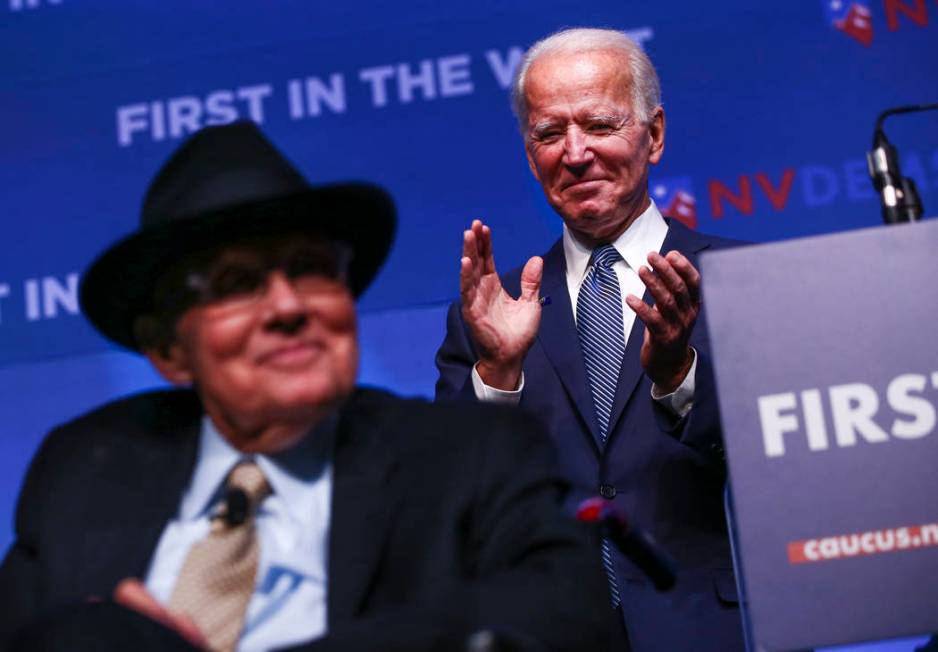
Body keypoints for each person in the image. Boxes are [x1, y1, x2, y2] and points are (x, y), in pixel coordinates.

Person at [0, 121, 616, 651]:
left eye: (312, 270)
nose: (288, 306)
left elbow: (563, 622)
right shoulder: (86, 471)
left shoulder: (466, 456)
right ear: (167, 350)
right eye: (237, 284)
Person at [435, 28, 745, 652]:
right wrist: (497, 376)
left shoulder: (747, 282)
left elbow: (791, 466)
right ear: (530, 154)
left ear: (653, 136)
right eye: (550, 134)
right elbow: (451, 503)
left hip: (719, 632)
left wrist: (679, 378)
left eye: (599, 126)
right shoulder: (492, 315)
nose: (574, 154)